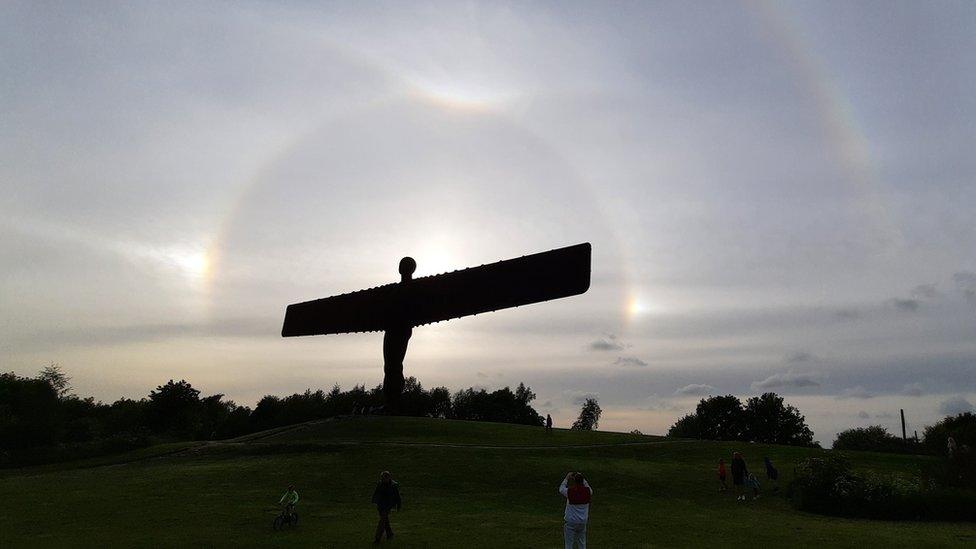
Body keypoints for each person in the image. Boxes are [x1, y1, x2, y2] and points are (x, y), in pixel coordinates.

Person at [559, 471, 592, 549]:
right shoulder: (588, 491)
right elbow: (588, 487)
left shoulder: (570, 492)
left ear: (574, 482)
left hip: (571, 521)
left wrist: (566, 478)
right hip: (582, 521)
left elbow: (561, 489)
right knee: (582, 542)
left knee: (569, 543)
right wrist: (582, 478)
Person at [371, 471, 401, 544]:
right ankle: (390, 534)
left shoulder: (393, 485)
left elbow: (397, 496)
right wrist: (374, 500)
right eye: (382, 478)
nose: (383, 480)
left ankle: (377, 538)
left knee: (382, 521)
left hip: (388, 505)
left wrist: (398, 505)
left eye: (384, 478)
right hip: (381, 504)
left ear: (388, 478)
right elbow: (376, 492)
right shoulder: (380, 484)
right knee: (385, 520)